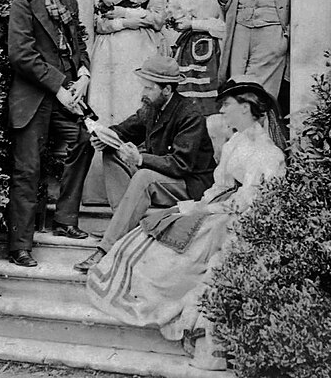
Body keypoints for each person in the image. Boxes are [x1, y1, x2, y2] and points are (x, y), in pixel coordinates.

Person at [86, 77, 287, 370]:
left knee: (178, 251)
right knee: (156, 228)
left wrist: (209, 208)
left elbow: (254, 200)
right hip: (216, 204)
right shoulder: (236, 142)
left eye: (228, 106)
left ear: (246, 108)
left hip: (236, 217)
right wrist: (200, 205)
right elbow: (221, 185)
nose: (223, 113)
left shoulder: (268, 153)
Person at [74, 54, 216, 274]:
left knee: (144, 176)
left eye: (149, 88)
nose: (143, 93)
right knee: (111, 153)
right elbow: (125, 129)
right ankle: (123, 228)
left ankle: (106, 250)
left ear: (167, 90)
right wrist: (104, 136)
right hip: (166, 178)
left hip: (190, 183)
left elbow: (180, 164)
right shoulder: (151, 108)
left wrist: (140, 159)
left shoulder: (190, 114)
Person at [6, 0, 93, 268]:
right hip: (34, 97)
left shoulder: (69, 1)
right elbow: (21, 55)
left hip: (67, 93)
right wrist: (59, 87)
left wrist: (84, 73)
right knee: (28, 168)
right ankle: (20, 246)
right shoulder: (23, 2)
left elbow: (78, 43)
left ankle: (65, 219)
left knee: (85, 139)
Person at [88, 0, 167, 128]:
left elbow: (159, 18)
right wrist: (121, 24)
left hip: (142, 47)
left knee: (138, 96)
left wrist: (128, 15)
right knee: (110, 103)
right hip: (109, 51)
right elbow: (95, 22)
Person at [168, 0, 232, 160]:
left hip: (210, 51)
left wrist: (193, 25)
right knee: (189, 111)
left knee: (212, 114)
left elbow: (224, 26)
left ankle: (218, 167)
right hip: (187, 50)